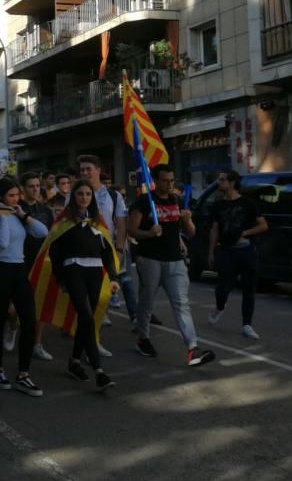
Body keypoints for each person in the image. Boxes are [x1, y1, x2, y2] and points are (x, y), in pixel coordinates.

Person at [128, 164, 215, 366]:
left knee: (181, 303)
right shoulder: (144, 202)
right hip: (149, 259)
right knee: (147, 301)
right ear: (155, 181)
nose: (169, 184)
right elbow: (132, 230)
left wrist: (187, 221)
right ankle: (143, 338)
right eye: (165, 180)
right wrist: (149, 233)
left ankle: (193, 348)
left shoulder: (176, 200)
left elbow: (190, 232)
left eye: (172, 180)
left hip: (175, 260)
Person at [42, 180, 119, 389]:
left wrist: (113, 277)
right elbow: (55, 254)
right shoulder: (64, 223)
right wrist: (61, 280)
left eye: (87, 194)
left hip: (95, 273)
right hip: (73, 271)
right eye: (80, 194)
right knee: (85, 318)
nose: (84, 197)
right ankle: (99, 371)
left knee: (87, 320)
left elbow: (107, 253)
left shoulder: (97, 223)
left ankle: (74, 362)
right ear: (73, 197)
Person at [0, 177, 48, 397]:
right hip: (2, 271)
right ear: (1, 196)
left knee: (29, 321)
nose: (15, 199)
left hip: (20, 270)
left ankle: (23, 373)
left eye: (16, 195)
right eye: (11, 195)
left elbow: (42, 232)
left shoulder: (18, 215)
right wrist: (2, 218)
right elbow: (1, 243)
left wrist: (24, 215)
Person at [77, 154, 131, 352]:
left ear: (98, 170)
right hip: (81, 254)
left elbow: (121, 223)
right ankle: (85, 340)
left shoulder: (114, 196)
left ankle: (93, 340)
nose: (84, 172)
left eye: (88, 169)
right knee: (85, 301)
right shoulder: (75, 194)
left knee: (102, 298)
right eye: (82, 169)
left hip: (105, 252)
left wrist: (118, 247)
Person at [207, 170, 268, 339]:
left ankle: (247, 325)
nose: (219, 182)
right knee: (222, 287)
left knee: (249, 289)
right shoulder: (218, 205)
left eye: (222, 179)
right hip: (227, 251)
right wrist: (211, 252)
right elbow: (214, 229)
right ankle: (220, 307)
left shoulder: (248, 203)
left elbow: (263, 225)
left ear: (232, 183)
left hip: (246, 250)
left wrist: (245, 233)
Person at [19, 173, 55, 361]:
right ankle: (12, 328)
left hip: (41, 261)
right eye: (30, 186)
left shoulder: (47, 211)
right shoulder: (16, 208)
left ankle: (37, 344)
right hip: (20, 261)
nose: (34, 189)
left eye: (36, 186)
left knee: (40, 304)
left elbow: (51, 235)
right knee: (14, 307)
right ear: (23, 188)